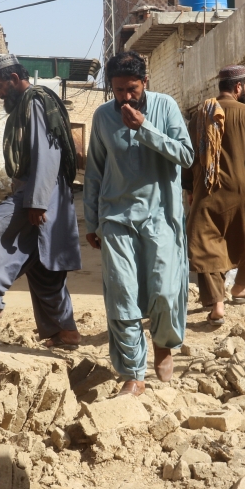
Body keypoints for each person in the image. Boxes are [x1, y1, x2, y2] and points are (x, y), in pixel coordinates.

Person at [84, 51, 195, 396]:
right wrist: (92, 221)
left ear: (145, 82)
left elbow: (186, 155)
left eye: (131, 89)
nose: (125, 98)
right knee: (122, 295)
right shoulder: (103, 117)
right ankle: (133, 372)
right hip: (116, 218)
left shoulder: (165, 107)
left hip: (160, 216)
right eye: (118, 91)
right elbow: (95, 171)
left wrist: (144, 128)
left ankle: (163, 344)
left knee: (163, 290)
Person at [0, 54, 83, 349]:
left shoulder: (35, 101)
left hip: (40, 193)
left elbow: (47, 153)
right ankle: (66, 333)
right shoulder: (28, 104)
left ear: (14, 79)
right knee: (42, 266)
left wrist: (37, 202)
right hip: (40, 192)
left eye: (0, 87)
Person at [184, 65, 245, 326]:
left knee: (206, 245)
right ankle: (241, 286)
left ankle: (217, 304)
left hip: (207, 191)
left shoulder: (200, 115)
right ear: (238, 87)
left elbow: (188, 155)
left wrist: (189, 189)